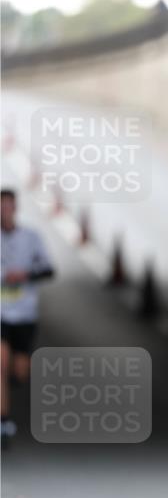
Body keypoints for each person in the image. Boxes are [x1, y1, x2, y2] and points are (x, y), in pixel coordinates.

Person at [1, 188, 55, 447]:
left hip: (24, 312)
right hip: (1, 313)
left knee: (19, 372)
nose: (5, 212)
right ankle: (4, 420)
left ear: (15, 208)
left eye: (8, 206)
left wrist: (25, 275)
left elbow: (48, 269)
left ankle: (11, 385)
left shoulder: (31, 237)